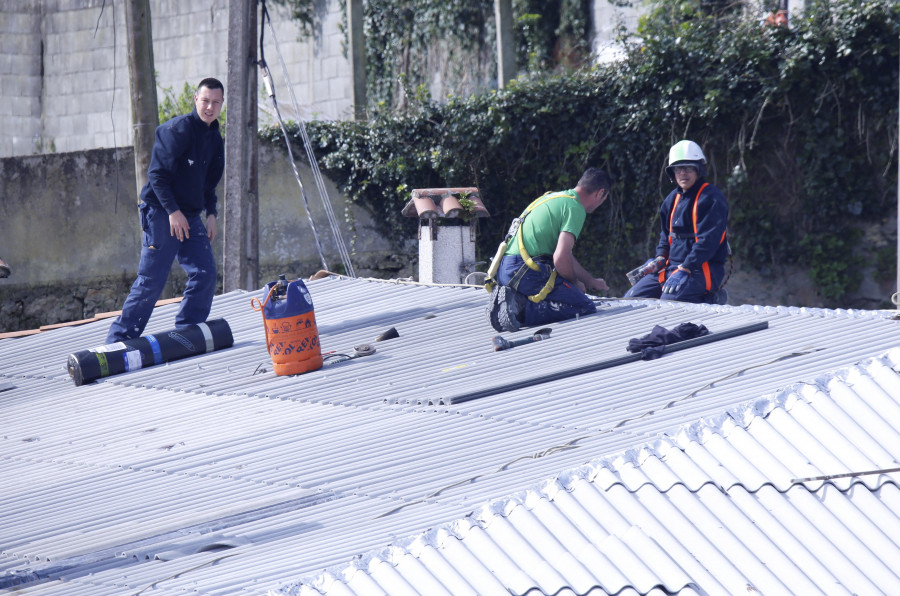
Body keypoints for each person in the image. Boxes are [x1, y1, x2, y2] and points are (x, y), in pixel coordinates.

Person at [106, 78, 225, 343]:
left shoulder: (216, 140)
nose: (209, 107)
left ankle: (187, 331)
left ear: (221, 105)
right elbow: (157, 176)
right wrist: (173, 211)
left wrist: (212, 214)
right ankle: (118, 341)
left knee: (206, 273)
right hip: (161, 211)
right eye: (205, 100)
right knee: (152, 280)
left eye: (215, 102)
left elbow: (209, 185)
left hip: (190, 216)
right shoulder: (177, 130)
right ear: (196, 99)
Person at [487, 167, 611, 332]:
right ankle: (520, 308)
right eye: (604, 199)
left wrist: (590, 281)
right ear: (600, 193)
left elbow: (565, 255)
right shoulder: (575, 208)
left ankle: (516, 298)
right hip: (525, 273)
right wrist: (574, 283)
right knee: (584, 306)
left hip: (506, 271)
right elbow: (560, 258)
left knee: (569, 294)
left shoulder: (554, 198)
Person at [625, 140, 729, 304]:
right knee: (630, 300)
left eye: (688, 168)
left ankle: (710, 298)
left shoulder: (711, 198)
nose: (682, 173)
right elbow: (665, 235)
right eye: (678, 169)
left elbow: (708, 241)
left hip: (700, 269)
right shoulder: (671, 199)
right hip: (671, 268)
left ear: (698, 169)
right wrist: (659, 258)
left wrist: (686, 267)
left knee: (669, 304)